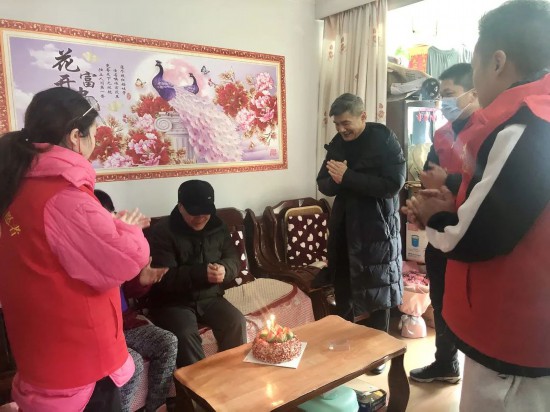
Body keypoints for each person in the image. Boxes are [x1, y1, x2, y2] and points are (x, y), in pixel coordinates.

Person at [404, 1, 550, 409]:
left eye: (476, 66)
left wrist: (434, 216)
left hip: (515, 333)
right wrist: (455, 198)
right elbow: (507, 204)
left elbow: (471, 236)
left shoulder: (526, 127)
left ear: (498, 62)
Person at [0, 87, 150, 411]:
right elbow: (129, 257)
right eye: (93, 133)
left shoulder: (15, 185)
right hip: (80, 362)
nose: (95, 142)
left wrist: (109, 224)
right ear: (75, 137)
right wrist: (127, 227)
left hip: (42, 354)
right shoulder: (64, 197)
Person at [316, 93, 406, 373]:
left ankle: (378, 356)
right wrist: (336, 179)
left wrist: (348, 177)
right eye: (337, 124)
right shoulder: (338, 144)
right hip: (344, 227)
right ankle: (346, 350)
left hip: (377, 228)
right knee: (343, 288)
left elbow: (393, 185)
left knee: (379, 292)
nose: (341, 130)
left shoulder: (384, 140)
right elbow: (323, 183)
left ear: (363, 116)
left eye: (346, 123)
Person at [409, 63, 480, 384]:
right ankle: (446, 362)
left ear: (472, 93)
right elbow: (428, 175)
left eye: (450, 94)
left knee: (472, 301)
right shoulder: (441, 133)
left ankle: (476, 365)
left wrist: (448, 182)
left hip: (472, 232)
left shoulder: (489, 131)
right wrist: (420, 206)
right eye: (442, 95)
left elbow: (486, 185)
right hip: (439, 229)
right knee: (440, 299)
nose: (444, 102)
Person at [145, 180, 247, 367]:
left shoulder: (218, 226)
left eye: (205, 212)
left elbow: (234, 260)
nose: (200, 218)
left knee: (236, 322)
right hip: (173, 302)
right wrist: (201, 273)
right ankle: (198, 384)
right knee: (185, 334)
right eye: (194, 212)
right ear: (180, 207)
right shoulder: (162, 232)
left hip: (210, 297)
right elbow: (163, 277)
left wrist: (225, 269)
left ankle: (233, 375)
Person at [94, 189, 177, 412]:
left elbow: (128, 290)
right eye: (105, 217)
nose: (112, 221)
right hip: (103, 333)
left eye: (112, 214)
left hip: (126, 324)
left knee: (168, 342)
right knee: (133, 364)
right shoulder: (84, 253)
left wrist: (142, 280)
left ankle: (156, 407)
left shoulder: (117, 245)